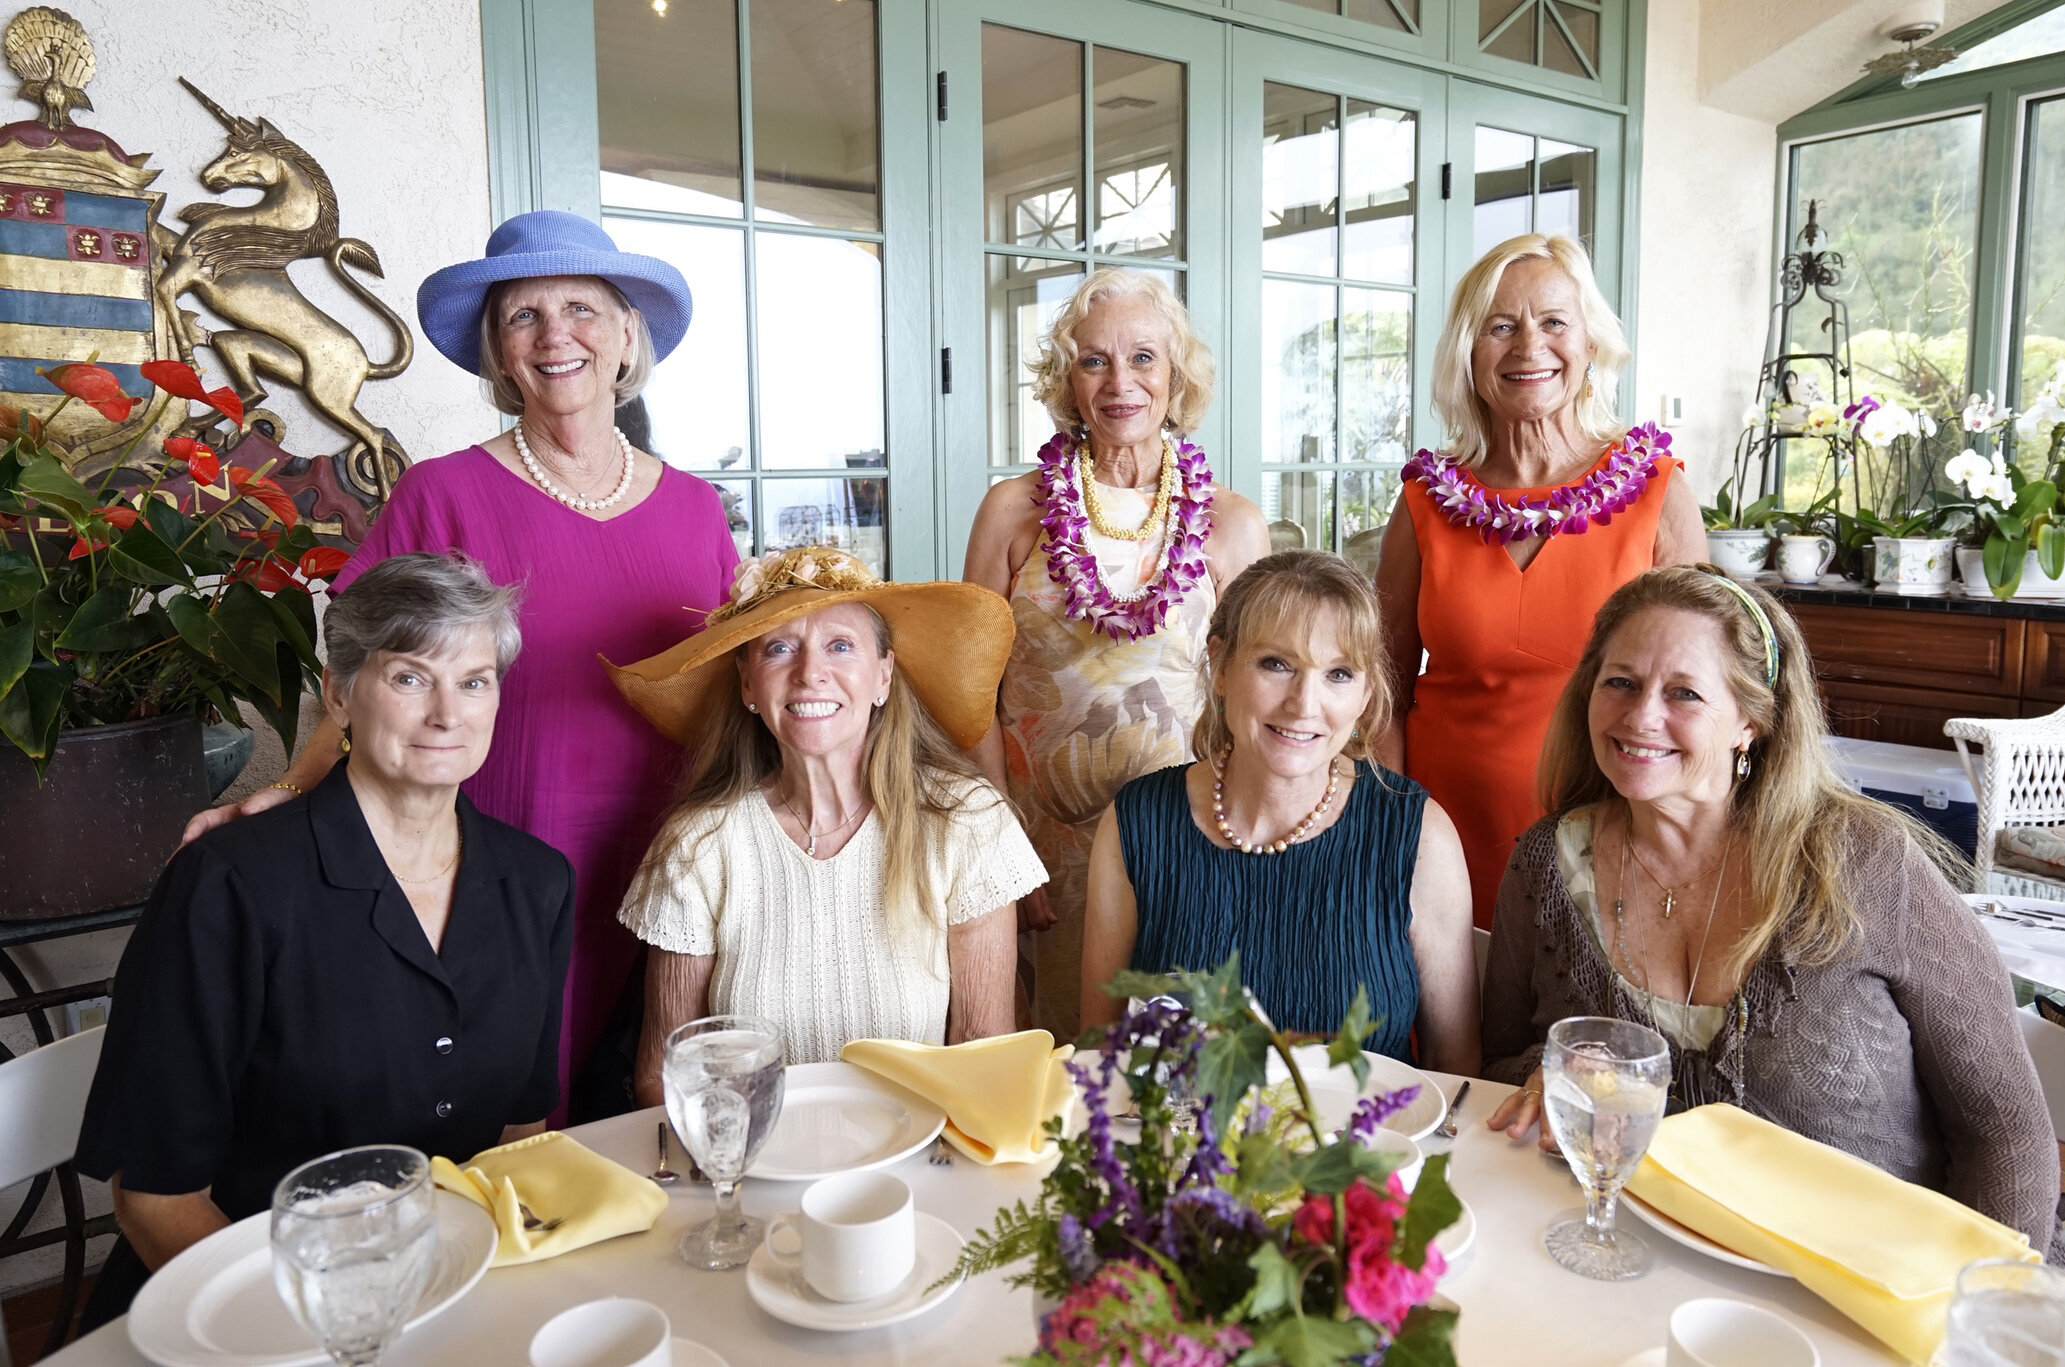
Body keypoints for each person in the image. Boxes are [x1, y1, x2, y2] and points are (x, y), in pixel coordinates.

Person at [182, 211, 740, 1123]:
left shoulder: (694, 509)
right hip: (503, 858)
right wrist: (288, 787)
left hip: (677, 862)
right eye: (523, 317)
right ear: (498, 353)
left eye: (582, 309)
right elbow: (369, 673)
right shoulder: (442, 492)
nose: (556, 335)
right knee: (513, 1122)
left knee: (660, 1112)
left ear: (628, 333)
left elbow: (732, 686)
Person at [1479, 566, 2065, 1263]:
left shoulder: (1861, 860)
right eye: (1621, 682)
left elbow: (2005, 1130)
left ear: (1750, 722)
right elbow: (1499, 1058)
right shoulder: (1547, 863)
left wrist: (1983, 1309)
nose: (1640, 716)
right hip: (1644, 1271)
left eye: (1684, 694)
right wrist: (1543, 1073)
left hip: (1876, 1286)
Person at [76, 554, 572, 1325]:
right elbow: (155, 1198)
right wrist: (331, 1329)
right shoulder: (227, 884)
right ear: (339, 693)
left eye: (474, 680)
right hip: (239, 1314)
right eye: (410, 677)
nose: (449, 713)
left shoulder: (539, 883)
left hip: (448, 1302)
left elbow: (516, 1139)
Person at [606, 547, 1045, 1084]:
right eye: (779, 648)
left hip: (920, 1158)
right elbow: (665, 1076)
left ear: (883, 676)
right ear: (748, 684)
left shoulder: (966, 821)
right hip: (756, 1157)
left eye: (840, 646)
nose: (810, 673)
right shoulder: (701, 842)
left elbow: (983, 1061)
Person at [964, 267, 1269, 1041]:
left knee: (1176, 1057)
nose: (1119, 382)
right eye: (1094, 359)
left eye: (1143, 358)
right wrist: (1001, 851)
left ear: (1176, 375)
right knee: (1050, 1066)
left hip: (1186, 840)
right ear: (1069, 377)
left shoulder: (1230, 522)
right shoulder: (1012, 509)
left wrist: (1239, 845)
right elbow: (966, 692)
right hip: (1039, 846)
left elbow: (1259, 697)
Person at [1376, 234, 1704, 930]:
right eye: (1501, 326)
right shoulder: (1423, 502)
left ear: (1590, 343)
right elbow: (1383, 686)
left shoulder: (1657, 491)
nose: (1529, 346)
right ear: (1470, 351)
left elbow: (1702, 690)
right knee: (1447, 1034)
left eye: (1553, 321)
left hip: (1612, 832)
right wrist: (1383, 831)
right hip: (1441, 837)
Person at [1080, 551, 1478, 1072]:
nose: (1304, 704)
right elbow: (1098, 1056)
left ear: (1365, 695)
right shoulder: (1137, 824)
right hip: (1184, 1150)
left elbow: (1457, 1072)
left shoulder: (1419, 836)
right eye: (1276, 664)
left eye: (1339, 674)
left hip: (1364, 1151)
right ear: (1220, 667)